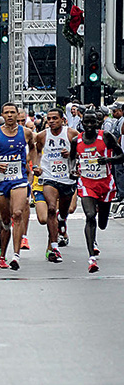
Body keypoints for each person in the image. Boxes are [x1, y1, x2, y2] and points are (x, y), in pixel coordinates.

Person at [0, 103, 37, 270]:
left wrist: (29, 162)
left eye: (13, 112)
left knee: (17, 213)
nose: (10, 115)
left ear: (18, 114)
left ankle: (16, 255)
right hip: (0, 182)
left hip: (19, 179)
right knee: (4, 221)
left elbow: (34, 149)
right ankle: (2, 254)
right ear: (2, 115)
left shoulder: (26, 133)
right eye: (7, 113)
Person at [71, 108, 124, 273]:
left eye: (92, 122)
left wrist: (108, 159)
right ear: (82, 123)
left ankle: (97, 232)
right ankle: (91, 257)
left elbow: (121, 156)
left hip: (105, 184)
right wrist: (73, 170)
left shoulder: (106, 137)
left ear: (98, 123)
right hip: (86, 183)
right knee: (90, 216)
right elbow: (72, 158)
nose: (89, 125)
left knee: (102, 223)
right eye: (86, 122)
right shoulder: (76, 140)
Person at [34, 108, 79, 263]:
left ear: (62, 120)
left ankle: (62, 220)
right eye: (49, 118)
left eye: (55, 118)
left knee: (64, 212)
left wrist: (72, 154)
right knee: (51, 208)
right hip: (49, 176)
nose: (51, 121)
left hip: (67, 178)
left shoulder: (72, 134)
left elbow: (82, 151)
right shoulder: (42, 136)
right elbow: (37, 153)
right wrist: (37, 166)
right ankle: (54, 247)